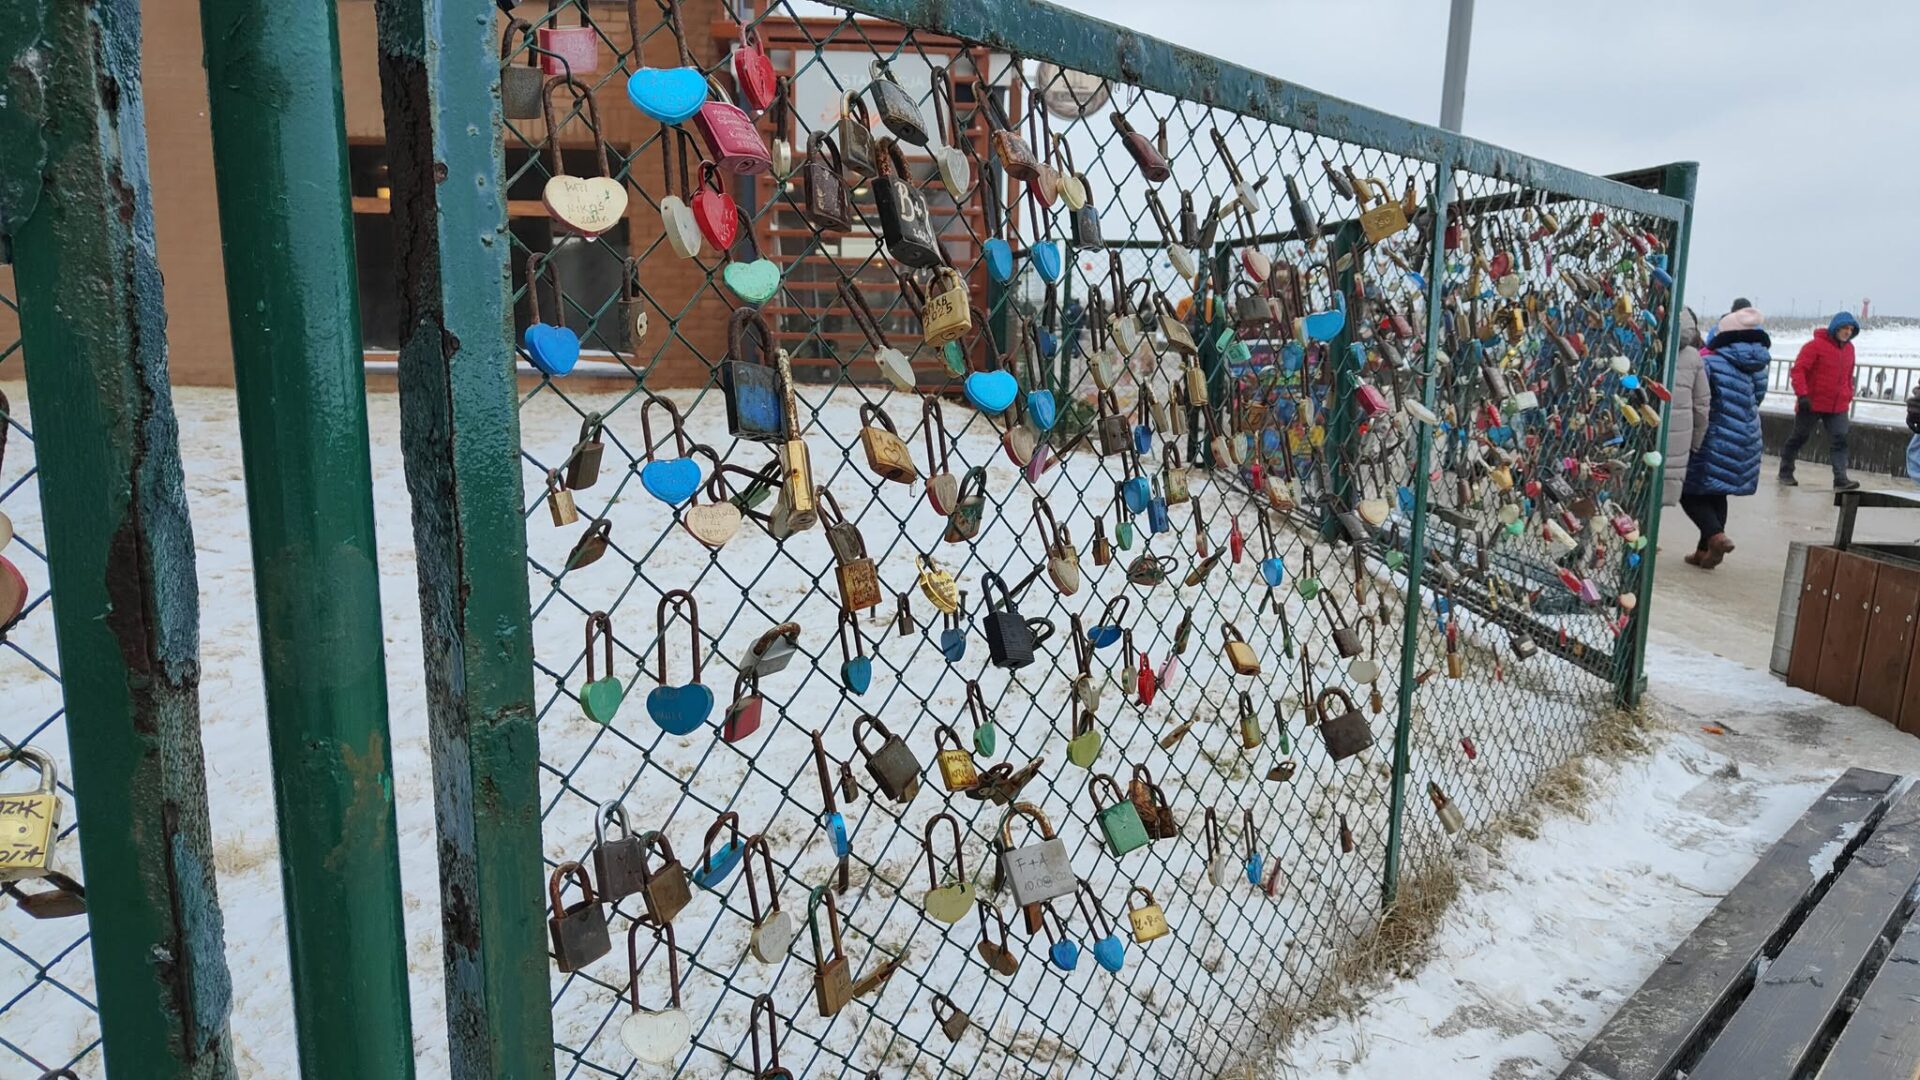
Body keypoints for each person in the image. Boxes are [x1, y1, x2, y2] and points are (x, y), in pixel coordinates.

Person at [1681, 305, 1772, 567]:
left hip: (1714, 436)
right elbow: (1757, 398)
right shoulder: (1759, 366)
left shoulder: (1709, 362)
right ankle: (1703, 551)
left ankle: (1715, 536)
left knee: (1688, 490)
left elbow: (1701, 400)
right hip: (1746, 435)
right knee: (1717, 491)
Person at [1780, 310, 1862, 490]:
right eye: (1844, 328)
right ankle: (1785, 472)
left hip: (1838, 405)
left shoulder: (1850, 349)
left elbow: (1848, 376)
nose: (1848, 332)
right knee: (1799, 437)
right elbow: (1798, 371)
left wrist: (1848, 395)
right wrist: (1802, 395)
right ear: (1835, 328)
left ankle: (1840, 479)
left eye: (1851, 329)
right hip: (1811, 403)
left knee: (1840, 440)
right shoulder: (1814, 346)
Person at [1663, 307, 1710, 509]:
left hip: (1641, 439)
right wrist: (1695, 443)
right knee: (1660, 500)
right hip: (1677, 443)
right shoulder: (1693, 357)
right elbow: (1702, 405)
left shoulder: (1646, 348)